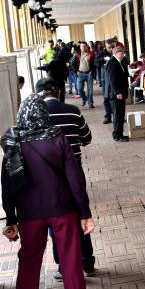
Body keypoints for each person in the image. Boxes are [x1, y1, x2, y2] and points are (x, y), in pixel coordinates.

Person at [0, 94, 94, 289]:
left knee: (28, 264)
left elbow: (7, 183)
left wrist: (10, 219)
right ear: (44, 114)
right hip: (62, 209)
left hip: (29, 215)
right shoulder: (56, 137)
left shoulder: (13, 140)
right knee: (70, 259)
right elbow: (74, 178)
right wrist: (84, 212)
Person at [36, 78, 95, 278]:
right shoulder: (73, 110)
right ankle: (87, 262)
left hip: (48, 177)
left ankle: (63, 265)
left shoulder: (35, 116)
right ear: (59, 92)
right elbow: (86, 138)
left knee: (56, 222)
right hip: (75, 173)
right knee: (81, 213)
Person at [105, 46, 129, 142]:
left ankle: (120, 134)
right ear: (116, 53)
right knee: (117, 115)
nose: (123, 54)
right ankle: (117, 135)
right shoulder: (112, 62)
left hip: (121, 92)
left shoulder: (120, 61)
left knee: (121, 114)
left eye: (123, 53)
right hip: (116, 94)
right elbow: (112, 79)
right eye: (121, 53)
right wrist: (117, 92)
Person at [76, 42, 95, 108]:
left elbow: (93, 65)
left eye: (84, 46)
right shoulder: (77, 55)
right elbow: (72, 64)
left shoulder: (91, 55)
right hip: (80, 74)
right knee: (79, 89)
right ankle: (84, 99)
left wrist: (93, 75)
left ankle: (90, 103)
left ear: (87, 47)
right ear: (80, 47)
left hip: (89, 73)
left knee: (90, 90)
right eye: (82, 46)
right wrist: (76, 71)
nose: (83, 48)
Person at [101, 41, 114, 124]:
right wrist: (103, 59)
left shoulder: (117, 53)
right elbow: (95, 61)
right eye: (109, 47)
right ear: (106, 47)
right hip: (105, 78)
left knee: (116, 99)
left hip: (114, 79)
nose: (111, 49)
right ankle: (108, 116)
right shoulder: (102, 53)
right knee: (106, 98)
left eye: (112, 47)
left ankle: (118, 116)